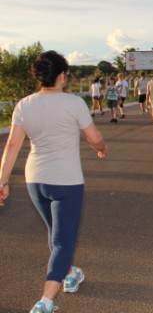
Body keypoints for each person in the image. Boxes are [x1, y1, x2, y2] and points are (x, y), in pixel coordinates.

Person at [0, 51, 107, 313]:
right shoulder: (74, 103)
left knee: (55, 233)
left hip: (35, 179)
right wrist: (101, 148)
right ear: (61, 76)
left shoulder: (24, 105)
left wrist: (2, 181)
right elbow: (94, 138)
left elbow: (12, 146)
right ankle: (46, 301)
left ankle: (70, 274)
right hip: (66, 181)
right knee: (62, 241)